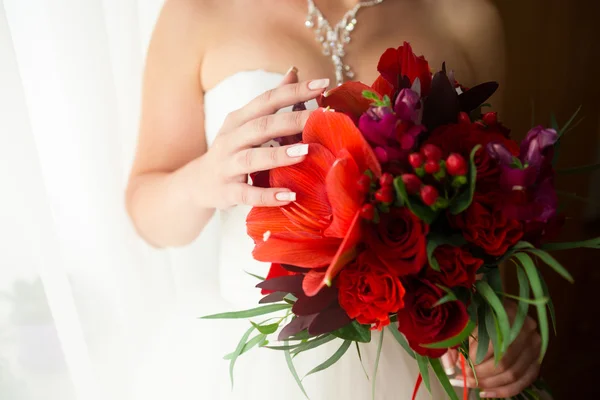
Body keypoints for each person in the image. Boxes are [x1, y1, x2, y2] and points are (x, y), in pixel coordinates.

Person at [126, 0, 541, 398]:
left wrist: (500, 326)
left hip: (423, 362)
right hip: (261, 363)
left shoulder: (466, 16)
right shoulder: (199, 10)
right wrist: (204, 178)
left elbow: (486, 219)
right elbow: (149, 216)